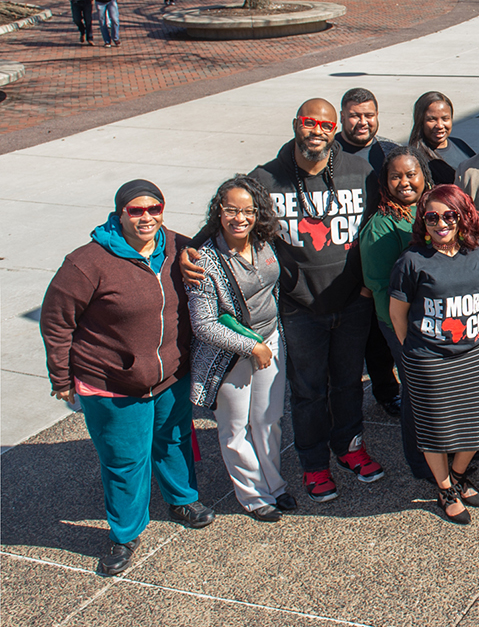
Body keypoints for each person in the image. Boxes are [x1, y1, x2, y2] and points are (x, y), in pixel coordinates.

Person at [185, 99, 384, 503]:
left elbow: (381, 223)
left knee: (347, 384)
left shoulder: (361, 171)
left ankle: (349, 447)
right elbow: (223, 219)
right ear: (296, 124)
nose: (317, 131)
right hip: (298, 308)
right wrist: (189, 251)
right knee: (307, 390)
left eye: (326, 125)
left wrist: (369, 284)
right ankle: (314, 464)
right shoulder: (265, 179)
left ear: (335, 130)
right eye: (309, 123)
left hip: (351, 302)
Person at [41, 180, 214, 577]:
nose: (146, 217)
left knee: (174, 440)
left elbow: (211, 250)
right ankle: (125, 533)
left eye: (154, 208)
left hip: (170, 374)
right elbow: (56, 322)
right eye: (136, 211)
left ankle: (182, 498)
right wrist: (61, 377)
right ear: (119, 214)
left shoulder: (175, 246)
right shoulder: (86, 263)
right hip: (111, 383)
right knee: (124, 461)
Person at [186, 176, 293, 522]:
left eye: (247, 210)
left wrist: (267, 342)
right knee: (234, 429)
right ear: (219, 210)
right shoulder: (204, 260)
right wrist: (251, 347)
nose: (239, 218)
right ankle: (254, 496)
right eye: (231, 209)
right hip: (230, 355)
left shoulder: (264, 242)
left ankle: (275, 486)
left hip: (271, 340)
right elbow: (204, 325)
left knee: (268, 420)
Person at [389, 185, 479, 525]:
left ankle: (459, 475)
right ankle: (445, 488)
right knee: (436, 428)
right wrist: (415, 354)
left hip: (473, 356)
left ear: (464, 216)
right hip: (429, 361)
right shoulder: (412, 261)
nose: (440, 223)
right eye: (431, 216)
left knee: (475, 424)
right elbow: (398, 314)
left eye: (449, 215)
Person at [361, 147, 435, 482]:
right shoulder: (381, 227)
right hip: (401, 323)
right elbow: (378, 284)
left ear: (423, 176)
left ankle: (444, 449)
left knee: (435, 389)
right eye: (396, 176)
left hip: (434, 319)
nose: (404, 182)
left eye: (411, 174)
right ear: (385, 182)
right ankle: (420, 461)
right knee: (416, 391)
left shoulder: (430, 212)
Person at [335, 87, 402, 419]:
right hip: (338, 261)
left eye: (369, 115)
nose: (362, 122)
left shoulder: (387, 152)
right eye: (355, 115)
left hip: (380, 255)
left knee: (380, 334)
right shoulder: (327, 152)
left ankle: (388, 392)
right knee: (350, 341)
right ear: (342, 116)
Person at [407, 91, 470, 183]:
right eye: (432, 119)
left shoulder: (459, 144)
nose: (440, 125)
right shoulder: (414, 158)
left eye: (445, 119)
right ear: (420, 121)